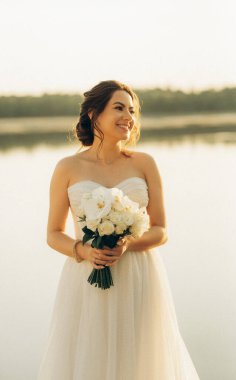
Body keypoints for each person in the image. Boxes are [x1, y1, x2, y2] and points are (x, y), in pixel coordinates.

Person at [37, 80, 200, 379]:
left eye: (133, 110)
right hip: (87, 276)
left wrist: (127, 243)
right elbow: (53, 233)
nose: (129, 116)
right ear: (93, 114)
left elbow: (161, 229)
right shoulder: (67, 167)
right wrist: (84, 250)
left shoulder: (144, 163)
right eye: (119, 108)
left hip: (140, 275)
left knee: (141, 361)